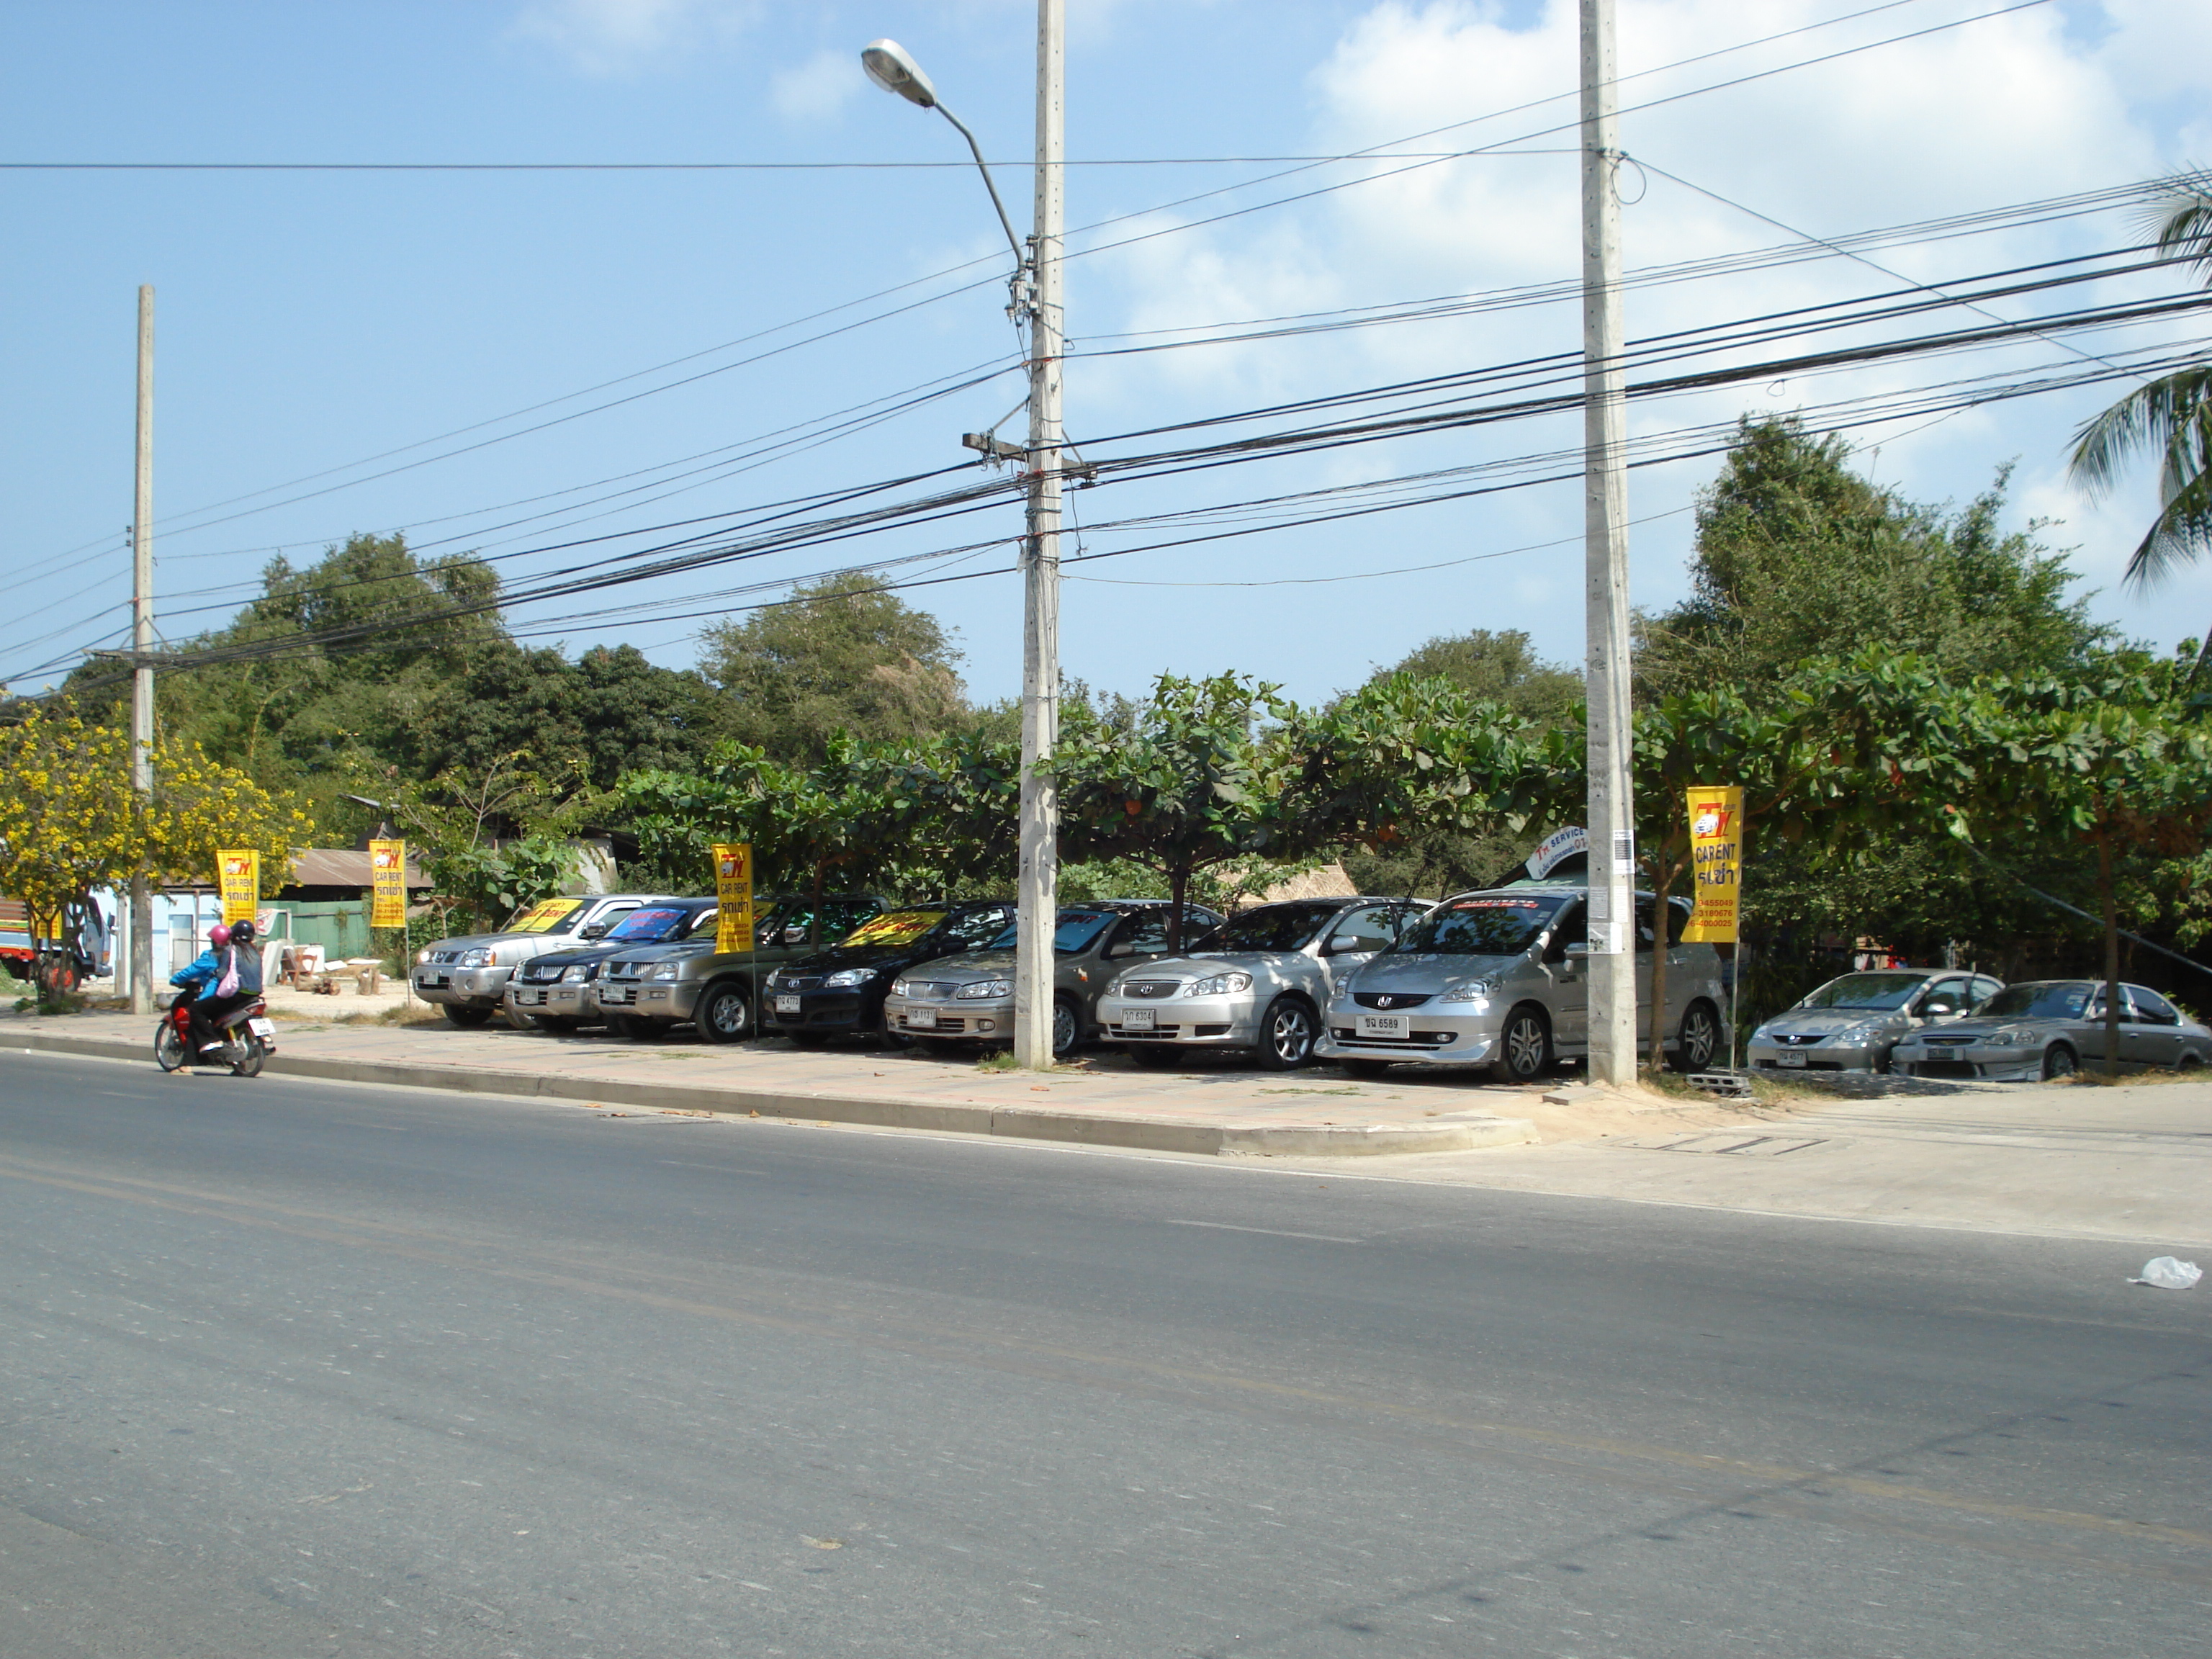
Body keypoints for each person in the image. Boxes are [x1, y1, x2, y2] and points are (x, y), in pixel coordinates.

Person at [171, 920, 263, 1056]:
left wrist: (174, 980)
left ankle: (212, 1041)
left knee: (196, 1010)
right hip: (255, 994)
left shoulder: (225, 952)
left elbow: (220, 975)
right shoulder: (254, 952)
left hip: (235, 994)